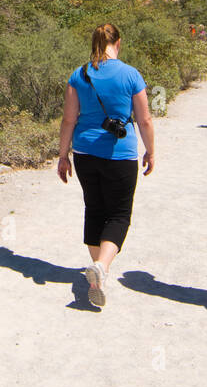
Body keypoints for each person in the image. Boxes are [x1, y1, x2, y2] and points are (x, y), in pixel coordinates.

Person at [57, 24, 155, 308]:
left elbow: (68, 120)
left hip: (85, 152)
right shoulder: (131, 75)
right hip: (120, 155)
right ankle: (101, 267)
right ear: (118, 43)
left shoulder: (80, 74)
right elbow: (145, 119)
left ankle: (97, 274)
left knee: (95, 209)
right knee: (119, 214)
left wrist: (63, 155)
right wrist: (150, 150)